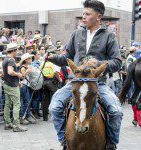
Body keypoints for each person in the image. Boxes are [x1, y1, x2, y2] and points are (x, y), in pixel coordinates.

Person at [48, 1, 122, 149]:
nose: (83, 17)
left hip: (97, 83)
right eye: (83, 14)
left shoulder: (109, 36)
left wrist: (99, 62)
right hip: (75, 83)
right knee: (54, 108)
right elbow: (66, 58)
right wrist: (53, 57)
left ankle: (111, 144)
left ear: (99, 16)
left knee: (116, 111)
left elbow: (117, 62)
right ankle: (64, 141)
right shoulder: (76, 34)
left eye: (87, 14)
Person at [2, 43, 27, 132]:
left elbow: (6, 72)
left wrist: (17, 81)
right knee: (17, 104)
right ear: (13, 51)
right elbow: (10, 72)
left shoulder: (6, 59)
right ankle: (16, 125)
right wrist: (19, 75)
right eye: (16, 50)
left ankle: (8, 123)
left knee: (7, 104)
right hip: (12, 86)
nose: (17, 52)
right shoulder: (11, 60)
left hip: (7, 84)